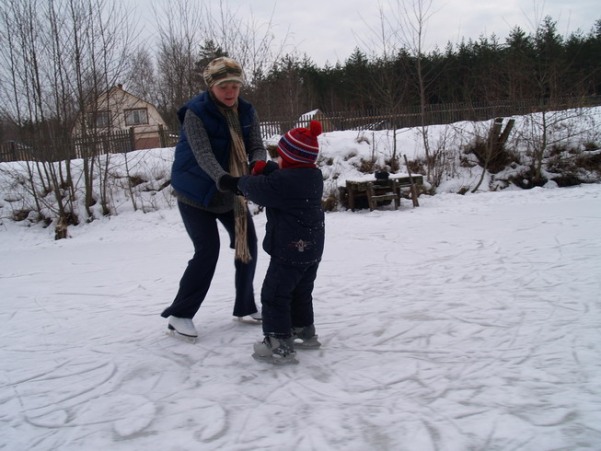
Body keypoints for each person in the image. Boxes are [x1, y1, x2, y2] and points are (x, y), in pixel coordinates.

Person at [161, 56, 265, 340]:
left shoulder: (247, 111)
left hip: (230, 192)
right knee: (207, 251)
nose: (230, 92)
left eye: (235, 85)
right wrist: (225, 179)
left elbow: (256, 144)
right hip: (196, 193)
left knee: (248, 245)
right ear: (211, 87)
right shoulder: (195, 113)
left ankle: (245, 305)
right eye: (224, 87)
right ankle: (180, 315)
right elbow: (203, 154)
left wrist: (257, 166)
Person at [221, 120, 325, 364]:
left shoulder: (282, 184)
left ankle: (278, 343)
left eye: (280, 157)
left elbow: (259, 189)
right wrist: (266, 168)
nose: (277, 160)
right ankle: (304, 329)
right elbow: (283, 177)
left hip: (289, 250)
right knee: (301, 291)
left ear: (289, 159)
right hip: (311, 251)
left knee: (275, 294)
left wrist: (234, 183)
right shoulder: (312, 175)